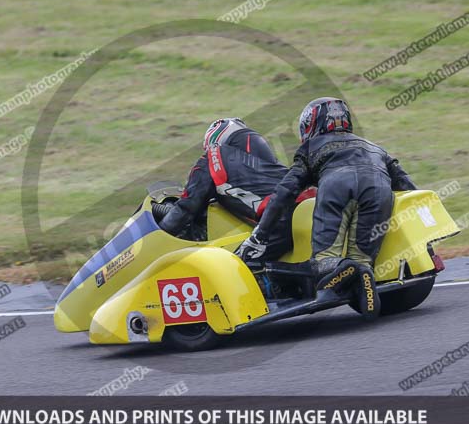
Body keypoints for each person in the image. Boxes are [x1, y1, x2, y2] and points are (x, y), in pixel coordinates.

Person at [236, 97, 417, 321]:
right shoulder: (375, 147)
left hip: (336, 188)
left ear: (312, 124)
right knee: (362, 259)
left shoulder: (310, 147)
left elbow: (284, 193)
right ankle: (360, 272)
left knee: (323, 263)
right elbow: (408, 187)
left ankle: (349, 268)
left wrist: (260, 235)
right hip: (378, 190)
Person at [158, 118, 296, 261]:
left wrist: (158, 236)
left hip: (277, 221)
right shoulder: (280, 172)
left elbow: (186, 207)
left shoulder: (213, 156)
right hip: (304, 212)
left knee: (235, 269)